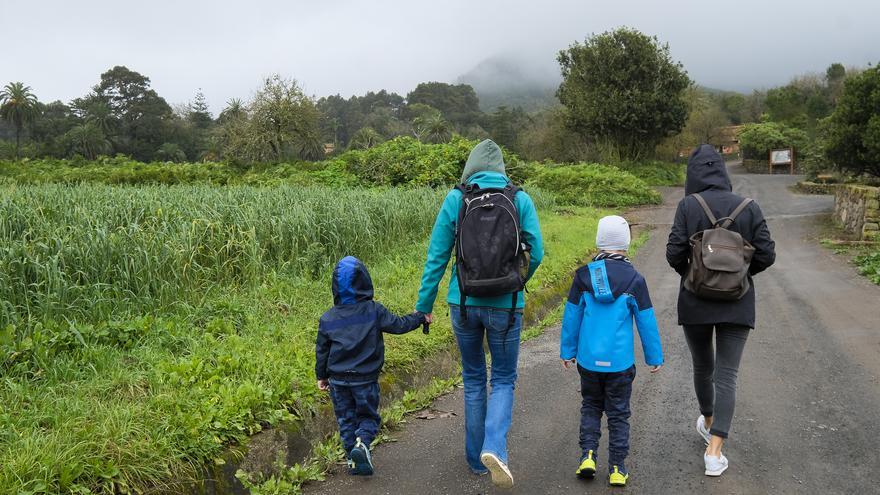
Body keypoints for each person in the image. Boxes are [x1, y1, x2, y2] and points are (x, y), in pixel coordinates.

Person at [416, 139, 544, 488]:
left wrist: (424, 306)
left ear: (470, 167)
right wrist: (515, 281)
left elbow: (436, 257)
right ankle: (494, 448)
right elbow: (539, 251)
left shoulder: (456, 199)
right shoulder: (519, 198)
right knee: (502, 378)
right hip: (507, 307)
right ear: (501, 168)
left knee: (473, 378)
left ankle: (476, 459)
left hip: (464, 304)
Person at [666, 144, 775, 476]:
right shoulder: (749, 206)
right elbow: (767, 254)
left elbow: (673, 253)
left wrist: (696, 275)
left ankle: (709, 420)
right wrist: (740, 274)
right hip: (738, 302)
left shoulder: (688, 205)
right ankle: (714, 452)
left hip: (696, 302)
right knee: (728, 375)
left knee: (703, 368)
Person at [559, 215, 664, 487]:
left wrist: (567, 350)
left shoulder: (584, 277)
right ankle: (617, 468)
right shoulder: (634, 280)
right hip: (620, 363)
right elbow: (646, 320)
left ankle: (588, 457)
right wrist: (654, 356)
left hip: (588, 361)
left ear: (599, 240)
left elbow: (572, 317)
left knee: (591, 406)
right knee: (618, 414)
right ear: (626, 243)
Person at [315, 256, 427, 476]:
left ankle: (353, 460)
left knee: (346, 420)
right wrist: (420, 318)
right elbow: (398, 325)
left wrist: (322, 376)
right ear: (365, 281)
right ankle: (362, 445)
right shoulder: (373, 311)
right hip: (364, 379)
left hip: (337, 380)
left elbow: (322, 351)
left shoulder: (328, 318)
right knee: (368, 417)